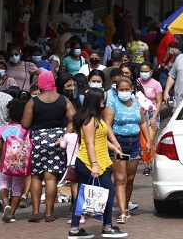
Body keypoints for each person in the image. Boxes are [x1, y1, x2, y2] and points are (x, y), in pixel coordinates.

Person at [68, 88, 128, 239]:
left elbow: (100, 139)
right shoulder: (90, 120)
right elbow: (89, 143)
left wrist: (114, 148)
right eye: (102, 100)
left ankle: (75, 230)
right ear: (96, 101)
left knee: (82, 195)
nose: (104, 102)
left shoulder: (97, 118)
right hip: (89, 162)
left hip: (98, 160)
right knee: (109, 192)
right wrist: (94, 164)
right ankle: (107, 227)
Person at [21, 71, 76, 223]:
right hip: (57, 140)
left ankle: (35, 212)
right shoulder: (63, 100)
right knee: (51, 178)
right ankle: (49, 213)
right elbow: (74, 119)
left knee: (36, 177)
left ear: (40, 83)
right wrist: (65, 134)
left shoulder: (33, 102)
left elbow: (25, 124)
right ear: (53, 82)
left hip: (38, 140)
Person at [103, 76, 151, 224]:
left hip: (134, 143)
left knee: (130, 178)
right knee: (120, 178)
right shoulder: (112, 104)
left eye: (127, 89)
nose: (124, 92)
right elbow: (107, 125)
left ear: (131, 90)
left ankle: (126, 206)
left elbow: (142, 122)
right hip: (119, 143)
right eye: (121, 90)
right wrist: (115, 142)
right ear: (116, 91)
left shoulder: (136, 104)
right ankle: (122, 211)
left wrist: (148, 140)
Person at [0, 99, 28, 223]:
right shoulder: (24, 130)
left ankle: (6, 205)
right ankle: (12, 213)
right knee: (17, 188)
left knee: (3, 184)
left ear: (9, 114)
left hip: (4, 162)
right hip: (19, 163)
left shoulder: (2, 129)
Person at [137, 62, 162, 176]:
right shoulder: (137, 82)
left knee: (150, 140)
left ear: (151, 72)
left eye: (146, 71)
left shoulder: (156, 84)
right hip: (141, 113)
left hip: (152, 113)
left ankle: (152, 163)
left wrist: (154, 118)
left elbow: (159, 101)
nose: (144, 73)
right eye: (142, 71)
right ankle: (147, 165)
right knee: (143, 142)